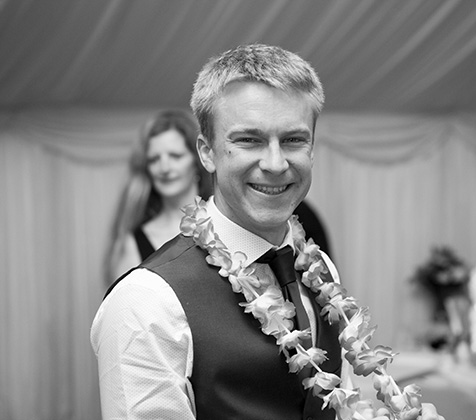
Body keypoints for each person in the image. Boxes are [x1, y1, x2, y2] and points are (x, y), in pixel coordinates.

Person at [91, 44, 444, 420]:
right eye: (249, 140)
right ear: (207, 152)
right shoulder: (145, 303)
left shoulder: (318, 268)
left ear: (312, 149)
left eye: (293, 139)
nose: (276, 164)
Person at [104, 109, 213, 281]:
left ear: (198, 160)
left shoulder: (228, 220)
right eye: (154, 159)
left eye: (175, 156)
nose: (164, 168)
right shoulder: (134, 242)